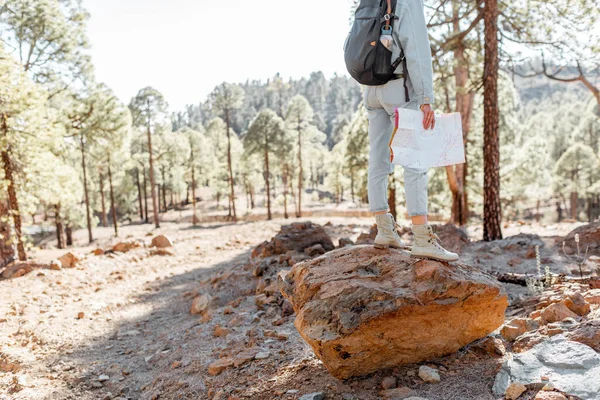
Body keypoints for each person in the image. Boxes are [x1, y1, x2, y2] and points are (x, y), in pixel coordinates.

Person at [364, 0, 458, 261]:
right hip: (400, 89)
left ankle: (385, 229)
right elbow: (417, 48)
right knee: (414, 160)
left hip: (372, 89)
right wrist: (426, 98)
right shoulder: (408, 2)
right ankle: (421, 237)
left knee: (378, 158)